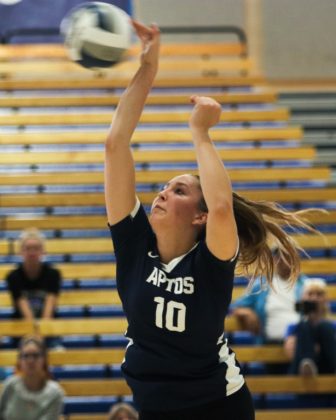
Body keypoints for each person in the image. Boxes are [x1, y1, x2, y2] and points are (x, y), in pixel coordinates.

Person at [104, 20, 319, 420]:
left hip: (218, 407)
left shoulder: (211, 262)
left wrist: (201, 132)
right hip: (155, 409)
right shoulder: (134, 245)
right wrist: (148, 69)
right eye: (166, 187)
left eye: (179, 190)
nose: (163, 193)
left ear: (200, 217)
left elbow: (222, 207)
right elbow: (115, 145)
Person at [0, 335, 64, 420]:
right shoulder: (10, 385)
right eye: (26, 356)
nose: (30, 361)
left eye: (35, 355)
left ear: (44, 359)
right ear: (19, 361)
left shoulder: (55, 393)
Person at [5, 227, 62, 322]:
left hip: (48, 328)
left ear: (43, 251)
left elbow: (50, 305)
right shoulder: (13, 277)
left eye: (36, 248)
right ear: (21, 252)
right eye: (28, 249)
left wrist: (41, 332)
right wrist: (34, 334)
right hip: (22, 328)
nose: (32, 253)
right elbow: (24, 311)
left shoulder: (53, 274)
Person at [284, 278, 336, 375]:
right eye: (310, 294)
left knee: (325, 326)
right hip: (300, 372)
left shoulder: (332, 325)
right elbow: (291, 354)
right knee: (304, 325)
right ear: (303, 298)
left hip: (327, 368)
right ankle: (307, 363)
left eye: (319, 294)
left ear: (326, 299)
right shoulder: (295, 326)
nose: (314, 298)